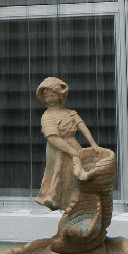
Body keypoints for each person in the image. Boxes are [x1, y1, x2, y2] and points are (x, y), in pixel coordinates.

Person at [35, 77, 100, 210]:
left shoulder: (70, 113)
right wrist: (73, 153)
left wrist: (93, 144)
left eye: (52, 95)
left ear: (60, 96)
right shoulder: (47, 116)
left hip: (74, 145)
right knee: (59, 175)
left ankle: (77, 203)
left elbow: (83, 128)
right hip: (59, 149)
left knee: (77, 175)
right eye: (47, 96)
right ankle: (60, 201)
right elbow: (53, 138)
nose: (49, 99)